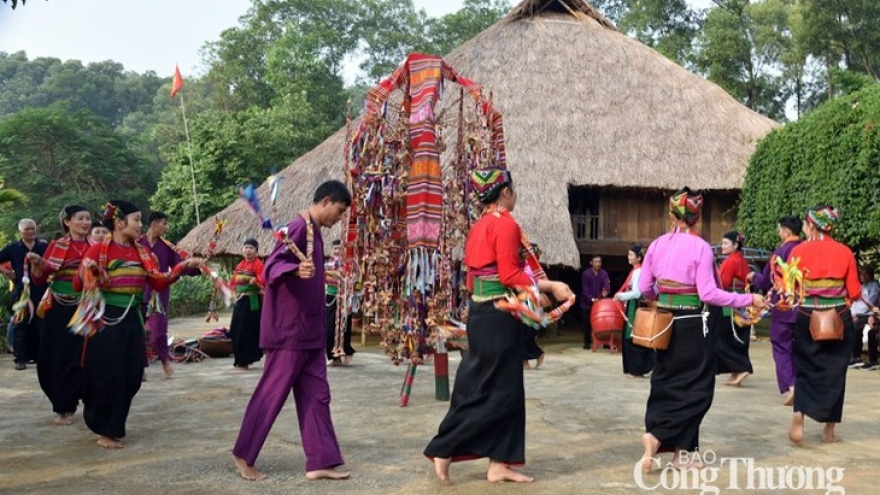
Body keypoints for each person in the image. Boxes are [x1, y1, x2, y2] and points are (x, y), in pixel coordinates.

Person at [424, 169, 574, 485]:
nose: (515, 194)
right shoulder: (504, 224)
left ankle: (500, 462)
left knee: (496, 387)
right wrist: (550, 286)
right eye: (513, 189)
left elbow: (471, 278)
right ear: (505, 192)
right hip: (500, 315)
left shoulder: (478, 227)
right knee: (498, 391)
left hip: (481, 312)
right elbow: (508, 275)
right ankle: (445, 447)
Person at [232, 180, 352, 482]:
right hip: (289, 332)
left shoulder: (314, 232)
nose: (338, 219)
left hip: (310, 332)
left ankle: (320, 461)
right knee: (271, 394)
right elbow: (272, 267)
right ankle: (243, 454)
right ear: (325, 200)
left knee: (317, 395)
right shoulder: (298, 228)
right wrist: (294, 269)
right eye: (338, 212)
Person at [638, 187, 765, 471]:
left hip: (665, 322)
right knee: (698, 387)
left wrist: (662, 298)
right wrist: (746, 298)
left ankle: (680, 453)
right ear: (696, 217)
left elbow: (645, 287)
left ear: (671, 214)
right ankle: (659, 437)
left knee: (666, 381)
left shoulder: (656, 245)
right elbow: (708, 293)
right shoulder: (700, 248)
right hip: (694, 324)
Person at [75, 200, 203, 448]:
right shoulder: (98, 251)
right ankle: (106, 430)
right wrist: (88, 270)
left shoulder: (143, 252)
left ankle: (112, 424)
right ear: (119, 223)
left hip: (132, 316)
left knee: (133, 373)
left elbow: (158, 282)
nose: (140, 225)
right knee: (108, 373)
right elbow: (77, 285)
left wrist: (181, 266)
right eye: (136, 220)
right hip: (105, 317)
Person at [787, 205, 860, 446]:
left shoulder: (798, 251)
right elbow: (855, 292)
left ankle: (799, 416)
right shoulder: (845, 252)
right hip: (838, 316)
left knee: (805, 367)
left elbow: (791, 289)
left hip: (807, 315)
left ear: (810, 225)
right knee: (835, 373)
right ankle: (829, 431)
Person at [29, 206, 91, 425]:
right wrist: (37, 264)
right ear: (68, 222)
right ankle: (62, 407)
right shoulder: (57, 246)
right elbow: (39, 279)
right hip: (59, 307)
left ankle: (89, 400)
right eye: (80, 218)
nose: (85, 222)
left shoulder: (98, 247)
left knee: (86, 355)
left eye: (88, 218)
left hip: (88, 306)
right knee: (59, 356)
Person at [749, 216, 802, 405]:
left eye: (780, 230)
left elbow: (765, 281)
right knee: (801, 349)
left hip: (784, 308)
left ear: (786, 232)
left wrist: (753, 276)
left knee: (781, 347)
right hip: (805, 308)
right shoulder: (806, 250)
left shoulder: (779, 254)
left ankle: (792, 386)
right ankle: (804, 387)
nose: (779, 233)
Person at [140, 211, 197, 379]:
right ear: (153, 224)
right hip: (139, 292)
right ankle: (141, 365)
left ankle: (165, 361)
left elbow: (179, 265)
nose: (166, 227)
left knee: (159, 331)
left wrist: (193, 266)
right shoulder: (137, 243)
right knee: (139, 331)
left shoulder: (166, 246)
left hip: (158, 293)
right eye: (164, 223)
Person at [0, 218, 49, 370]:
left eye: (32, 228)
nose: (30, 232)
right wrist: (7, 272)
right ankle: (20, 359)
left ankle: (40, 357)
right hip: (22, 290)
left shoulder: (43, 246)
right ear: (20, 231)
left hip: (41, 288)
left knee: (42, 324)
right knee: (20, 324)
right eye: (27, 229)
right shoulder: (13, 248)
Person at [713, 230, 754, 387]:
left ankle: (742, 368)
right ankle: (735, 371)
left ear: (735, 245)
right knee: (734, 338)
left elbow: (723, 283)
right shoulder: (739, 260)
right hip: (740, 303)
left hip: (730, 304)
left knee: (723, 338)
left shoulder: (731, 262)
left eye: (725, 243)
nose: (722, 246)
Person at [615, 243, 654, 378]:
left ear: (639, 258)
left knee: (632, 337)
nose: (628, 257)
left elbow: (637, 293)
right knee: (639, 336)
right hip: (639, 305)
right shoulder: (642, 270)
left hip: (635, 306)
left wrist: (620, 296)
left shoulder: (638, 272)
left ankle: (636, 369)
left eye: (631, 254)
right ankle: (640, 367)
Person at [229, 238, 264, 370]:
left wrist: (256, 280)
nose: (247, 250)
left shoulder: (258, 264)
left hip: (251, 302)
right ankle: (239, 359)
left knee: (247, 331)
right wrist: (228, 290)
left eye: (251, 248)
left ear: (256, 251)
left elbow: (263, 278)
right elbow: (233, 282)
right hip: (240, 300)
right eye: (245, 247)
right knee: (235, 330)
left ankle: (245, 360)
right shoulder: (240, 265)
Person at [325, 239, 355, 365]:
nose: (337, 251)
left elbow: (351, 279)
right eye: (335, 248)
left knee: (345, 325)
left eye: (339, 248)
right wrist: (335, 279)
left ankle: (348, 351)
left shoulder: (349, 264)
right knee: (329, 326)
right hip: (331, 297)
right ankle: (334, 357)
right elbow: (324, 278)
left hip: (344, 297)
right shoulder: (327, 264)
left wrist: (339, 280)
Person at [848, 266, 879, 368]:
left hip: (869, 314)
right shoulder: (862, 286)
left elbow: (871, 302)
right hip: (860, 314)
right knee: (852, 327)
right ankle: (855, 357)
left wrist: (857, 313)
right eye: (861, 274)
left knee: (863, 330)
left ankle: (869, 359)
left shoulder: (874, 286)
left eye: (865, 274)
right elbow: (855, 303)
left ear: (870, 275)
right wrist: (853, 313)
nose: (862, 276)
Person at [522, 243, 545, 370]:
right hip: (522, 300)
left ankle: (527, 360)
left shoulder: (536, 269)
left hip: (531, 302)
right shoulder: (523, 265)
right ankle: (535, 354)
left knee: (525, 333)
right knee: (522, 333)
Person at [580, 255, 610, 349]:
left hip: (600, 303)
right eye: (596, 261)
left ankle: (605, 342)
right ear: (591, 263)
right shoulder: (586, 274)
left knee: (603, 322)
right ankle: (587, 342)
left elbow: (607, 286)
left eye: (599, 262)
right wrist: (591, 299)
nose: (598, 264)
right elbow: (585, 290)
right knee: (587, 323)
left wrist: (606, 292)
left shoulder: (604, 273)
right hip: (587, 303)